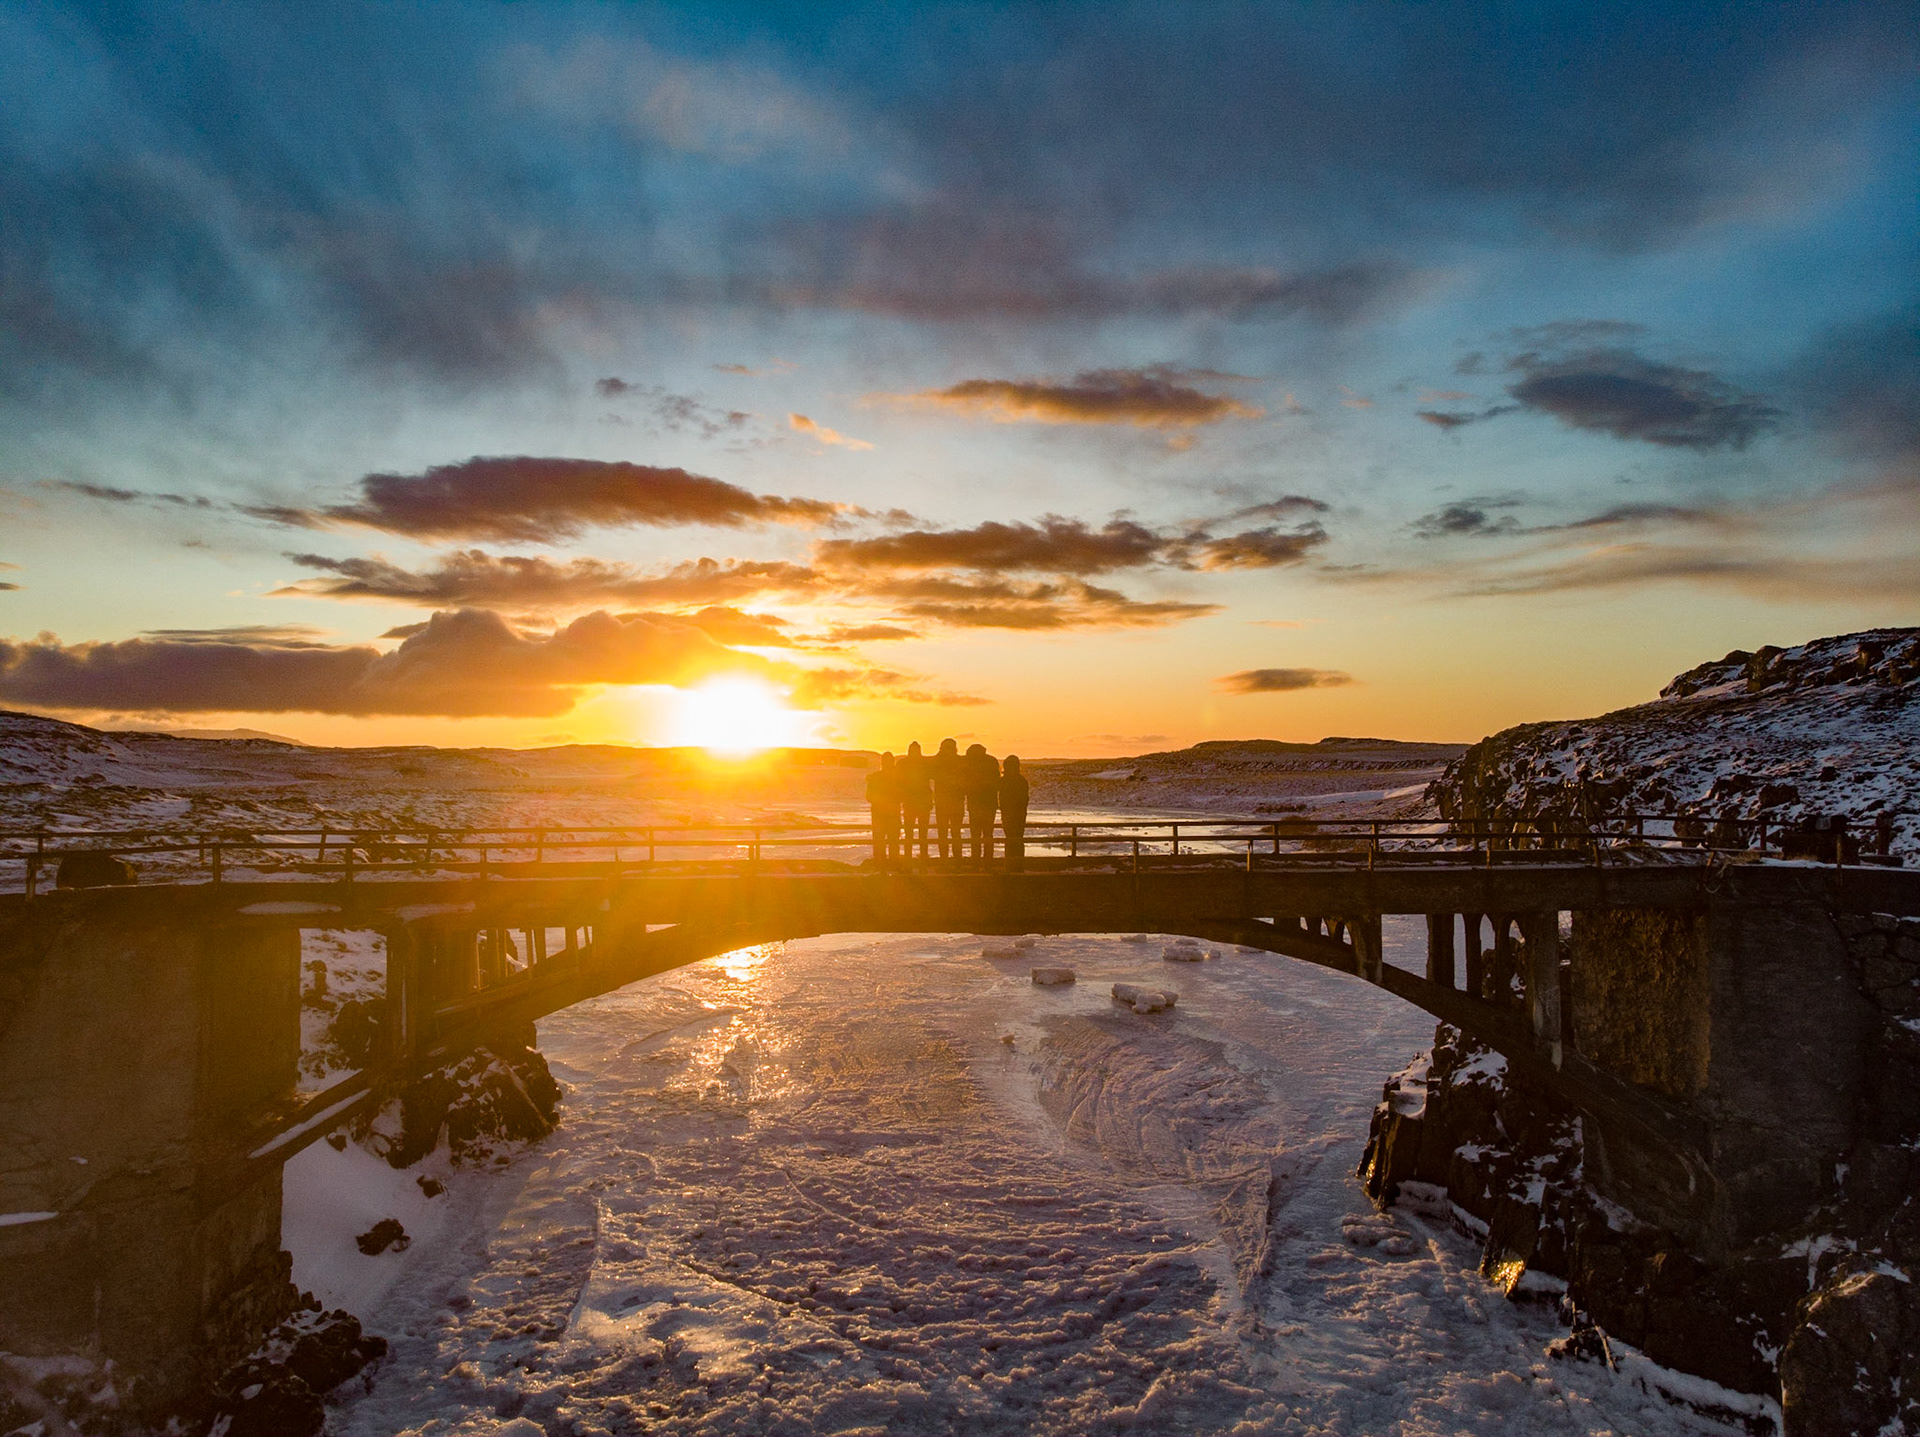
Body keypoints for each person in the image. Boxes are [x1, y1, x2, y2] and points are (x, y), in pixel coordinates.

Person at [962, 743, 1000, 861]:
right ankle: (988, 861)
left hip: (975, 805)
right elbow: (996, 782)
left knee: (975, 836)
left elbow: (965, 783)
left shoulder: (970, 764)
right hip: (989, 805)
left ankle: (976, 861)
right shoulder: (992, 761)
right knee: (988, 834)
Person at [931, 738, 965, 860]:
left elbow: (931, 773)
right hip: (957, 803)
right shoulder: (960, 762)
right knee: (956, 834)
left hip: (942, 803)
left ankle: (944, 861)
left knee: (943, 834)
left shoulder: (938, 762)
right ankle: (958, 862)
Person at [898, 741, 932, 861]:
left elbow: (896, 779)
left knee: (909, 834)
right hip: (922, 804)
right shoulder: (925, 764)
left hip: (910, 803)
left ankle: (908, 860)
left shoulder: (903, 763)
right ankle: (923, 859)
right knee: (923, 835)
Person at [866, 751, 900, 865]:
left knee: (880, 841)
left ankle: (880, 865)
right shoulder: (897, 779)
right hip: (891, 814)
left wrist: (880, 802)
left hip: (879, 814)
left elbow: (869, 796)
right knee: (893, 841)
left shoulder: (875, 778)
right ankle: (892, 864)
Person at [1000, 754, 1030, 872]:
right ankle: (1018, 865)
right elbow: (1025, 799)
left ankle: (1009, 866)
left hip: (1008, 813)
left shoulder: (1004, 781)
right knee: (1018, 839)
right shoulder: (1022, 780)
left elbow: (1002, 797)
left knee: (1010, 840)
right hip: (1019, 814)